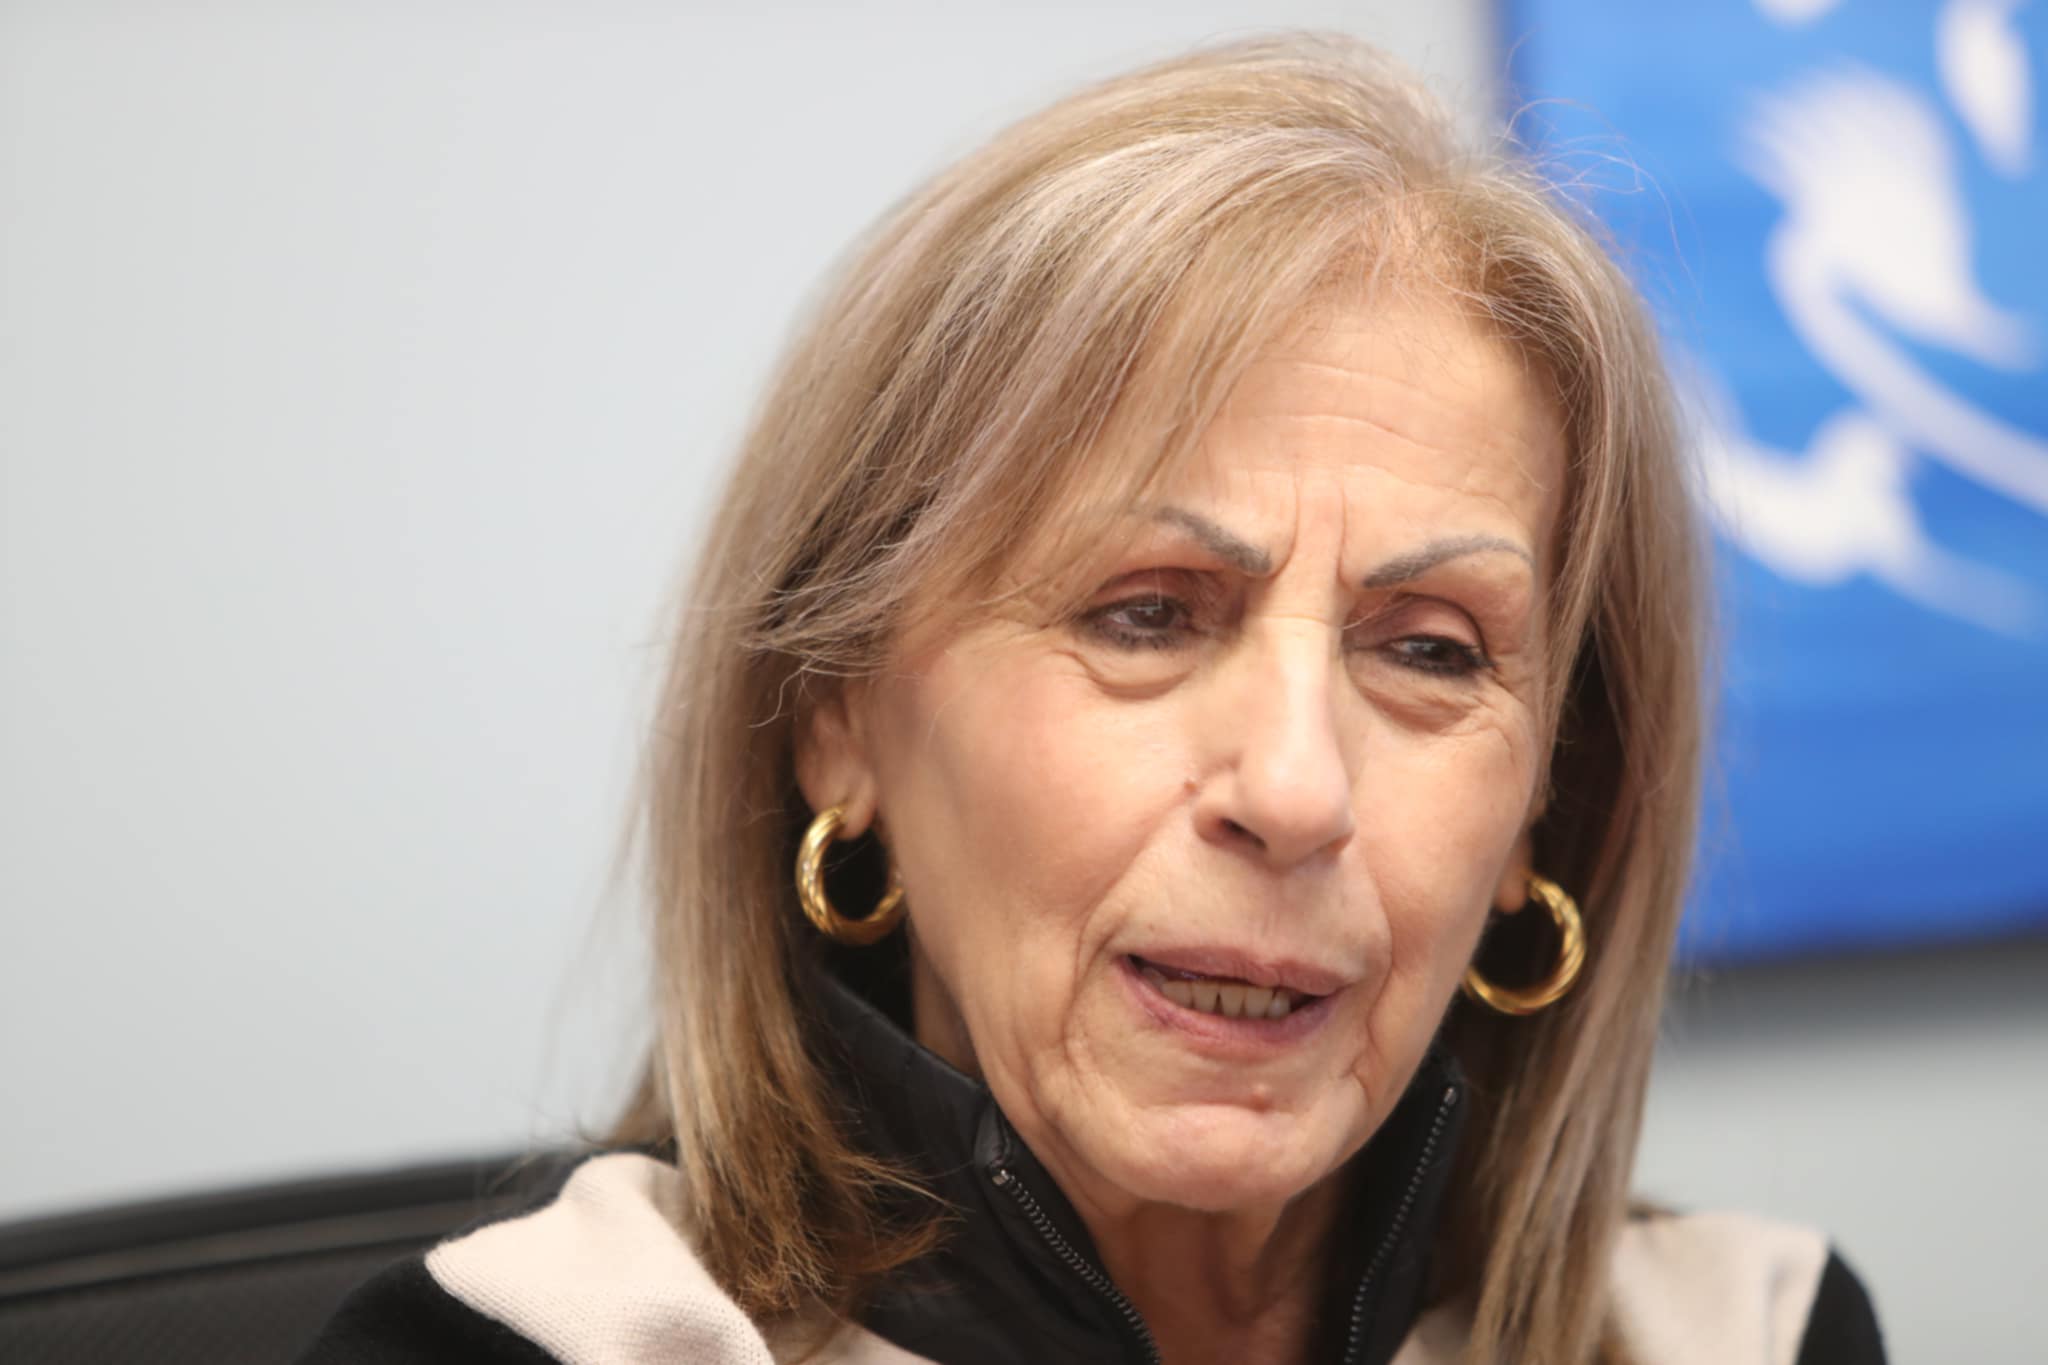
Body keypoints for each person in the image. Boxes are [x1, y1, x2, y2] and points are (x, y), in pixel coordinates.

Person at [300, 32, 1885, 1365]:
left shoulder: (1749, 1331)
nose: (1295, 786)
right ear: (839, 720)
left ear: (1547, 795)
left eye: (1430, 649)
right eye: (1146, 615)